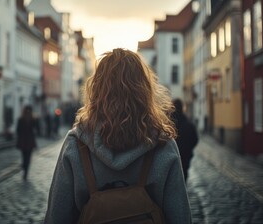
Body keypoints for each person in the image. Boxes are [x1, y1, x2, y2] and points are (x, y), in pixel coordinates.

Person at [44, 48, 192, 223]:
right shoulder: (162, 144)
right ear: (144, 91)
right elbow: (180, 216)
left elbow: (56, 216)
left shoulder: (76, 145)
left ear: (96, 90)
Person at [171, 98, 198, 182]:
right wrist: (189, 148)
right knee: (184, 175)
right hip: (185, 155)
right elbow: (195, 139)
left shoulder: (168, 124)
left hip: (172, 156)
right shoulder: (188, 124)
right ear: (182, 108)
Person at [16, 105, 37, 181]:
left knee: (25, 157)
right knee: (26, 157)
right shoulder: (29, 119)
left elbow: (18, 130)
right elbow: (18, 130)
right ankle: (25, 170)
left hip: (25, 141)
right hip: (27, 141)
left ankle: (25, 170)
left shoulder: (23, 119)